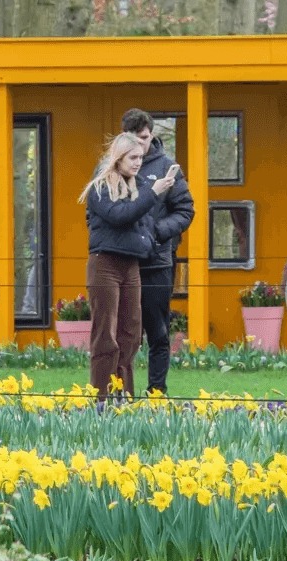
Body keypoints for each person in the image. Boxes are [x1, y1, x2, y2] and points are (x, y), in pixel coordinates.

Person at [80, 132, 174, 401]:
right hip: (105, 263)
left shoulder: (140, 186)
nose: (137, 163)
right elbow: (119, 215)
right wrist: (152, 194)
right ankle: (101, 398)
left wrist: (151, 244)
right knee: (105, 334)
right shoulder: (100, 187)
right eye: (133, 158)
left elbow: (142, 224)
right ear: (118, 159)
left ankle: (124, 397)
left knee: (130, 333)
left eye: (141, 158)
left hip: (132, 264)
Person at [121, 109, 194, 394]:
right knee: (124, 334)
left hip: (157, 262)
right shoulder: (112, 165)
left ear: (151, 134)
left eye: (144, 138)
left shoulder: (167, 167)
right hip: (122, 260)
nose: (140, 145)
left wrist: (156, 232)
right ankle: (121, 393)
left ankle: (156, 394)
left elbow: (186, 210)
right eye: (134, 139)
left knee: (158, 333)